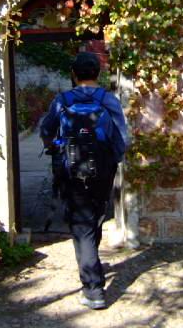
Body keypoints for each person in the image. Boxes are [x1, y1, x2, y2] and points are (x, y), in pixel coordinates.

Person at [40, 51, 128, 310]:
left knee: (82, 225)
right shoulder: (108, 100)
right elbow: (122, 138)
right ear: (98, 73)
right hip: (103, 168)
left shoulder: (63, 100)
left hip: (73, 167)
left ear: (73, 74)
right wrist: (113, 162)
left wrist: (54, 147)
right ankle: (92, 265)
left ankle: (93, 289)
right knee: (94, 218)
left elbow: (46, 130)